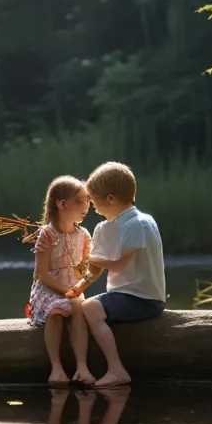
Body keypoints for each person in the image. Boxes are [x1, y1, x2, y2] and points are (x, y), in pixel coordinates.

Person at [65, 161, 166, 388]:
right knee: (81, 304)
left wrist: (85, 258)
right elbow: (96, 269)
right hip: (122, 295)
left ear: (110, 199)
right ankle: (84, 367)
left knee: (91, 307)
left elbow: (119, 265)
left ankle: (117, 369)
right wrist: (77, 288)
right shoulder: (104, 228)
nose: (90, 205)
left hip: (144, 297)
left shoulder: (139, 223)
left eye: (93, 198)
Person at [27, 175, 95, 386]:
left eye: (89, 201)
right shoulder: (47, 234)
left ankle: (82, 367)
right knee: (57, 309)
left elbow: (86, 270)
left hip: (72, 290)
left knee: (78, 307)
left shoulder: (84, 235)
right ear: (61, 203)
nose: (87, 206)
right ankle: (56, 368)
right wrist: (65, 290)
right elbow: (42, 275)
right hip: (48, 289)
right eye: (80, 201)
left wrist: (78, 287)